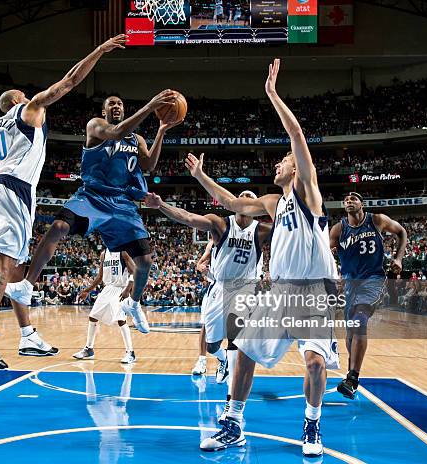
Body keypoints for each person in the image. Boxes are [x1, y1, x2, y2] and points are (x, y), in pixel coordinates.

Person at [189, 59, 339, 457]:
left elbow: (296, 134)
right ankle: (232, 423)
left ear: (296, 168)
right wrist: (202, 177)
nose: (278, 163)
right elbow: (229, 202)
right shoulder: (272, 203)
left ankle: (311, 425)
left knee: (313, 364)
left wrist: (272, 94)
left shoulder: (307, 192)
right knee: (244, 351)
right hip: (279, 292)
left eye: (283, 161)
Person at [0, 34, 127, 369]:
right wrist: (100, 50)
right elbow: (70, 80)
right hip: (15, 189)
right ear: (19, 100)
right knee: (5, 263)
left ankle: (27, 335)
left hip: (2, 186)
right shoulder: (29, 109)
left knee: (18, 268)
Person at [5, 91, 183, 334]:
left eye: (120, 103)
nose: (117, 106)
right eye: (112, 103)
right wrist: (150, 105)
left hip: (122, 203)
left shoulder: (137, 139)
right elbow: (116, 132)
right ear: (104, 111)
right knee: (58, 227)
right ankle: (27, 285)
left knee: (145, 261)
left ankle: (134, 303)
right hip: (93, 196)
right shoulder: (95, 125)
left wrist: (161, 130)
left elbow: (149, 165)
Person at [144, 190, 270, 422]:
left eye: (250, 197)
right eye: (240, 195)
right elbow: (187, 217)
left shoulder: (262, 230)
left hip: (245, 291)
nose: (244, 198)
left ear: (255, 205)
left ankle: (232, 403)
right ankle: (220, 360)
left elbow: (292, 234)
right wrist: (161, 204)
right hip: (218, 288)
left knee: (237, 344)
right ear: (235, 202)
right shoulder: (219, 224)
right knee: (212, 346)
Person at [330, 192, 407, 399]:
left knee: (359, 321)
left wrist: (399, 259)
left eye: (354, 198)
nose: (349, 201)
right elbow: (325, 252)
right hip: (349, 284)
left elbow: (401, 232)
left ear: (362, 204)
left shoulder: (377, 220)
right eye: (346, 199)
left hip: (373, 279)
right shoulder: (338, 229)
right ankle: (350, 376)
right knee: (350, 334)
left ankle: (353, 377)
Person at [72, 248, 136, 364]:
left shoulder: (123, 252)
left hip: (120, 289)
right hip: (107, 288)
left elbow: (134, 272)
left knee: (121, 320)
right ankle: (89, 349)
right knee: (92, 316)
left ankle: (130, 352)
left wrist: (127, 289)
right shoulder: (104, 254)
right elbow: (100, 277)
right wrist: (87, 290)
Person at [192, 240, 214, 376]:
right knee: (205, 326)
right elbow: (200, 264)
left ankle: (229, 360)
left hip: (237, 288)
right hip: (216, 287)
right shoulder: (212, 243)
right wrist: (201, 267)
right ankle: (201, 361)